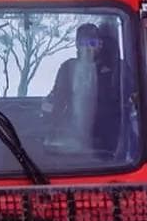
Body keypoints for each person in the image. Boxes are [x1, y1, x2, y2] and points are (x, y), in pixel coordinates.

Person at [43, 22, 123, 154]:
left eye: (92, 43)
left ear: (100, 45)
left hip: (104, 138)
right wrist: (49, 115)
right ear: (77, 45)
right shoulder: (68, 68)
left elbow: (122, 104)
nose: (88, 48)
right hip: (72, 135)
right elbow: (58, 98)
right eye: (83, 43)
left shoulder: (115, 69)